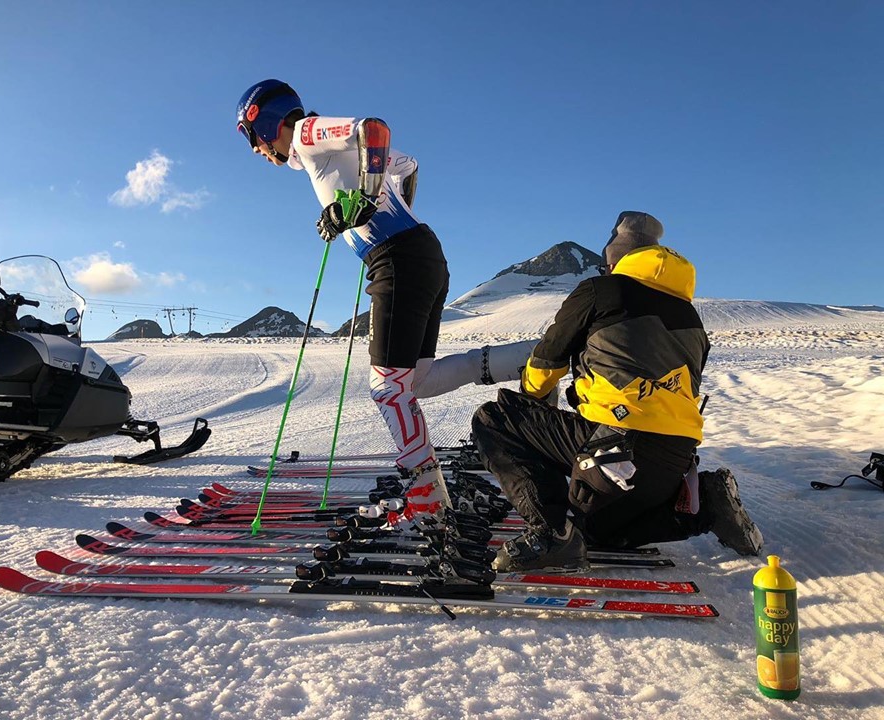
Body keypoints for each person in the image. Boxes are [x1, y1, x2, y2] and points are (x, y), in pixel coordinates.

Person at [471, 211, 763, 571]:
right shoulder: (690, 315)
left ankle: (550, 533)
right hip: (674, 457)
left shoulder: (600, 291)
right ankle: (703, 509)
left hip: (616, 446)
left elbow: (546, 362)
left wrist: (530, 402)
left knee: (494, 418)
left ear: (614, 257)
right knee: (594, 532)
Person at [236, 79, 451, 518]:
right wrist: (379, 207)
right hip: (418, 253)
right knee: (414, 382)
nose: (256, 150)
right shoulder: (320, 152)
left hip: (399, 261)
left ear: (267, 122)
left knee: (389, 390)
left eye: (250, 137)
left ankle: (429, 501)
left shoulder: (305, 133)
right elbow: (407, 166)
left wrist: (366, 204)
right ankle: (527, 359)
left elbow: (374, 129)